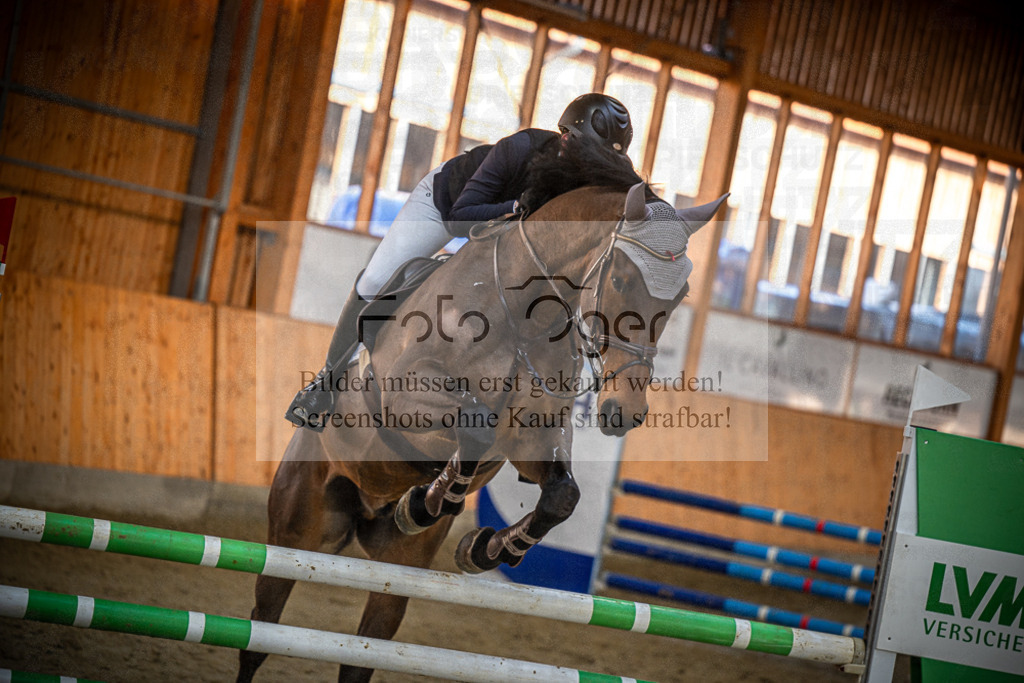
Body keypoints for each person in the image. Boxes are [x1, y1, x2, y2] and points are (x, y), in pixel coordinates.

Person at [286, 93, 634, 430]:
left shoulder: (598, 177)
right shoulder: (520, 148)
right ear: (565, 137)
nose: (595, 166)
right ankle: (325, 383)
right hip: (447, 205)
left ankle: (540, 427)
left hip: (507, 237)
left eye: (603, 158)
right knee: (375, 283)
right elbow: (459, 218)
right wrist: (514, 210)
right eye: (591, 153)